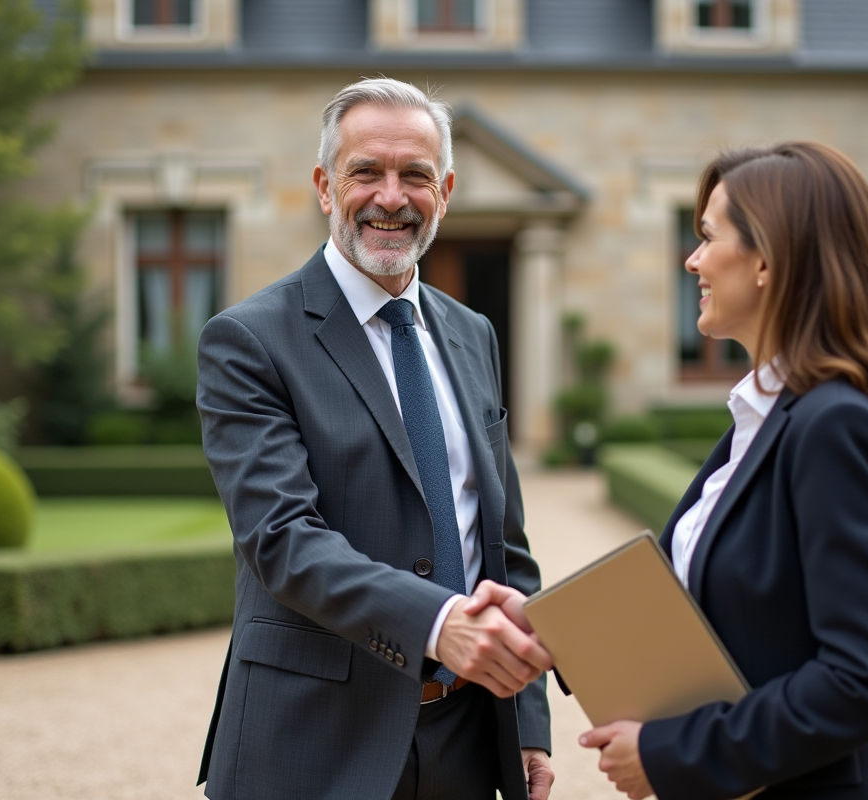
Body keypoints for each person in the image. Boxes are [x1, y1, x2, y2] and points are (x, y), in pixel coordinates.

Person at [194, 77, 555, 800]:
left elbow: (502, 544)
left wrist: (527, 723)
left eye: (415, 175)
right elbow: (281, 539)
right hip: (314, 738)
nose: (391, 197)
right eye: (367, 172)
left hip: (468, 735)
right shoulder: (248, 340)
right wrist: (438, 621)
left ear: (444, 191)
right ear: (326, 187)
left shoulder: (472, 332)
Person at [580, 142, 868, 799]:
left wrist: (671, 753)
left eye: (708, 237)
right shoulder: (763, 420)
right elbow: (711, 609)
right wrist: (553, 631)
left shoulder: (832, 425)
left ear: (768, 259)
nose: (692, 261)